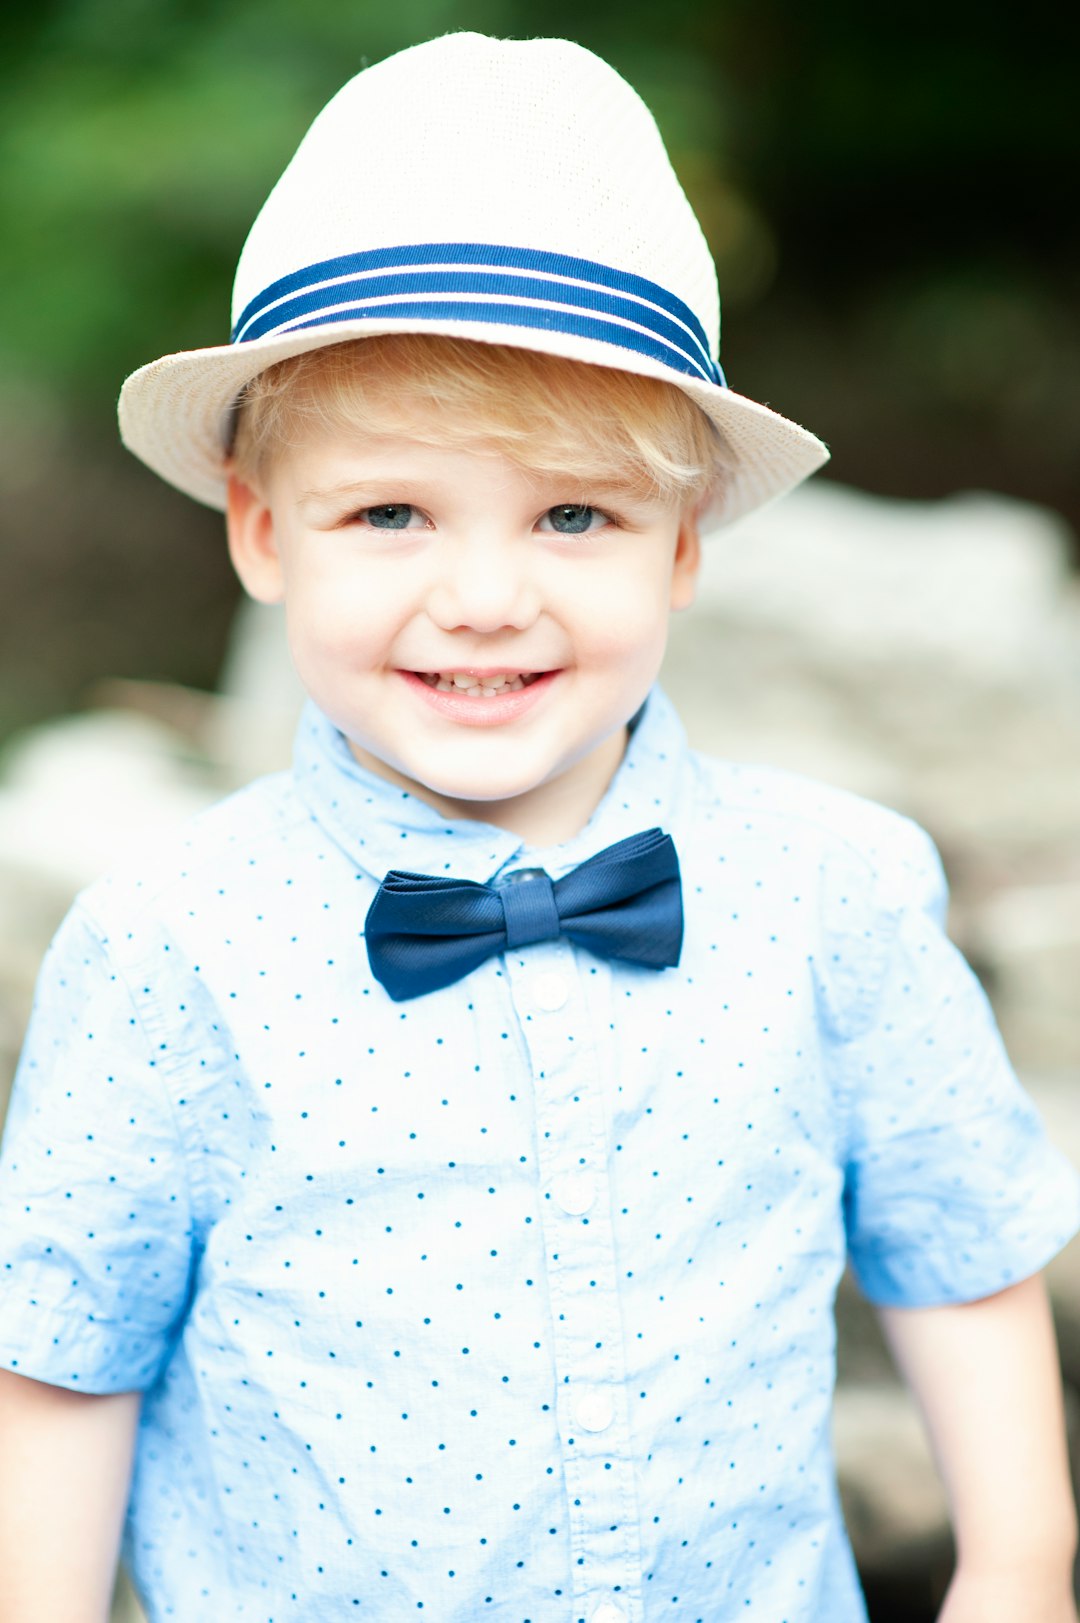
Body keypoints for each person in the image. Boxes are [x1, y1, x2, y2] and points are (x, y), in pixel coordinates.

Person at [0, 31, 1076, 1623]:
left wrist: (1018, 1565)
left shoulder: (836, 890)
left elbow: (965, 1246)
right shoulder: (169, 944)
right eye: (391, 514)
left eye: (575, 514)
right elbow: (65, 1361)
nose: (488, 597)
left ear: (685, 544)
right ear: (259, 529)